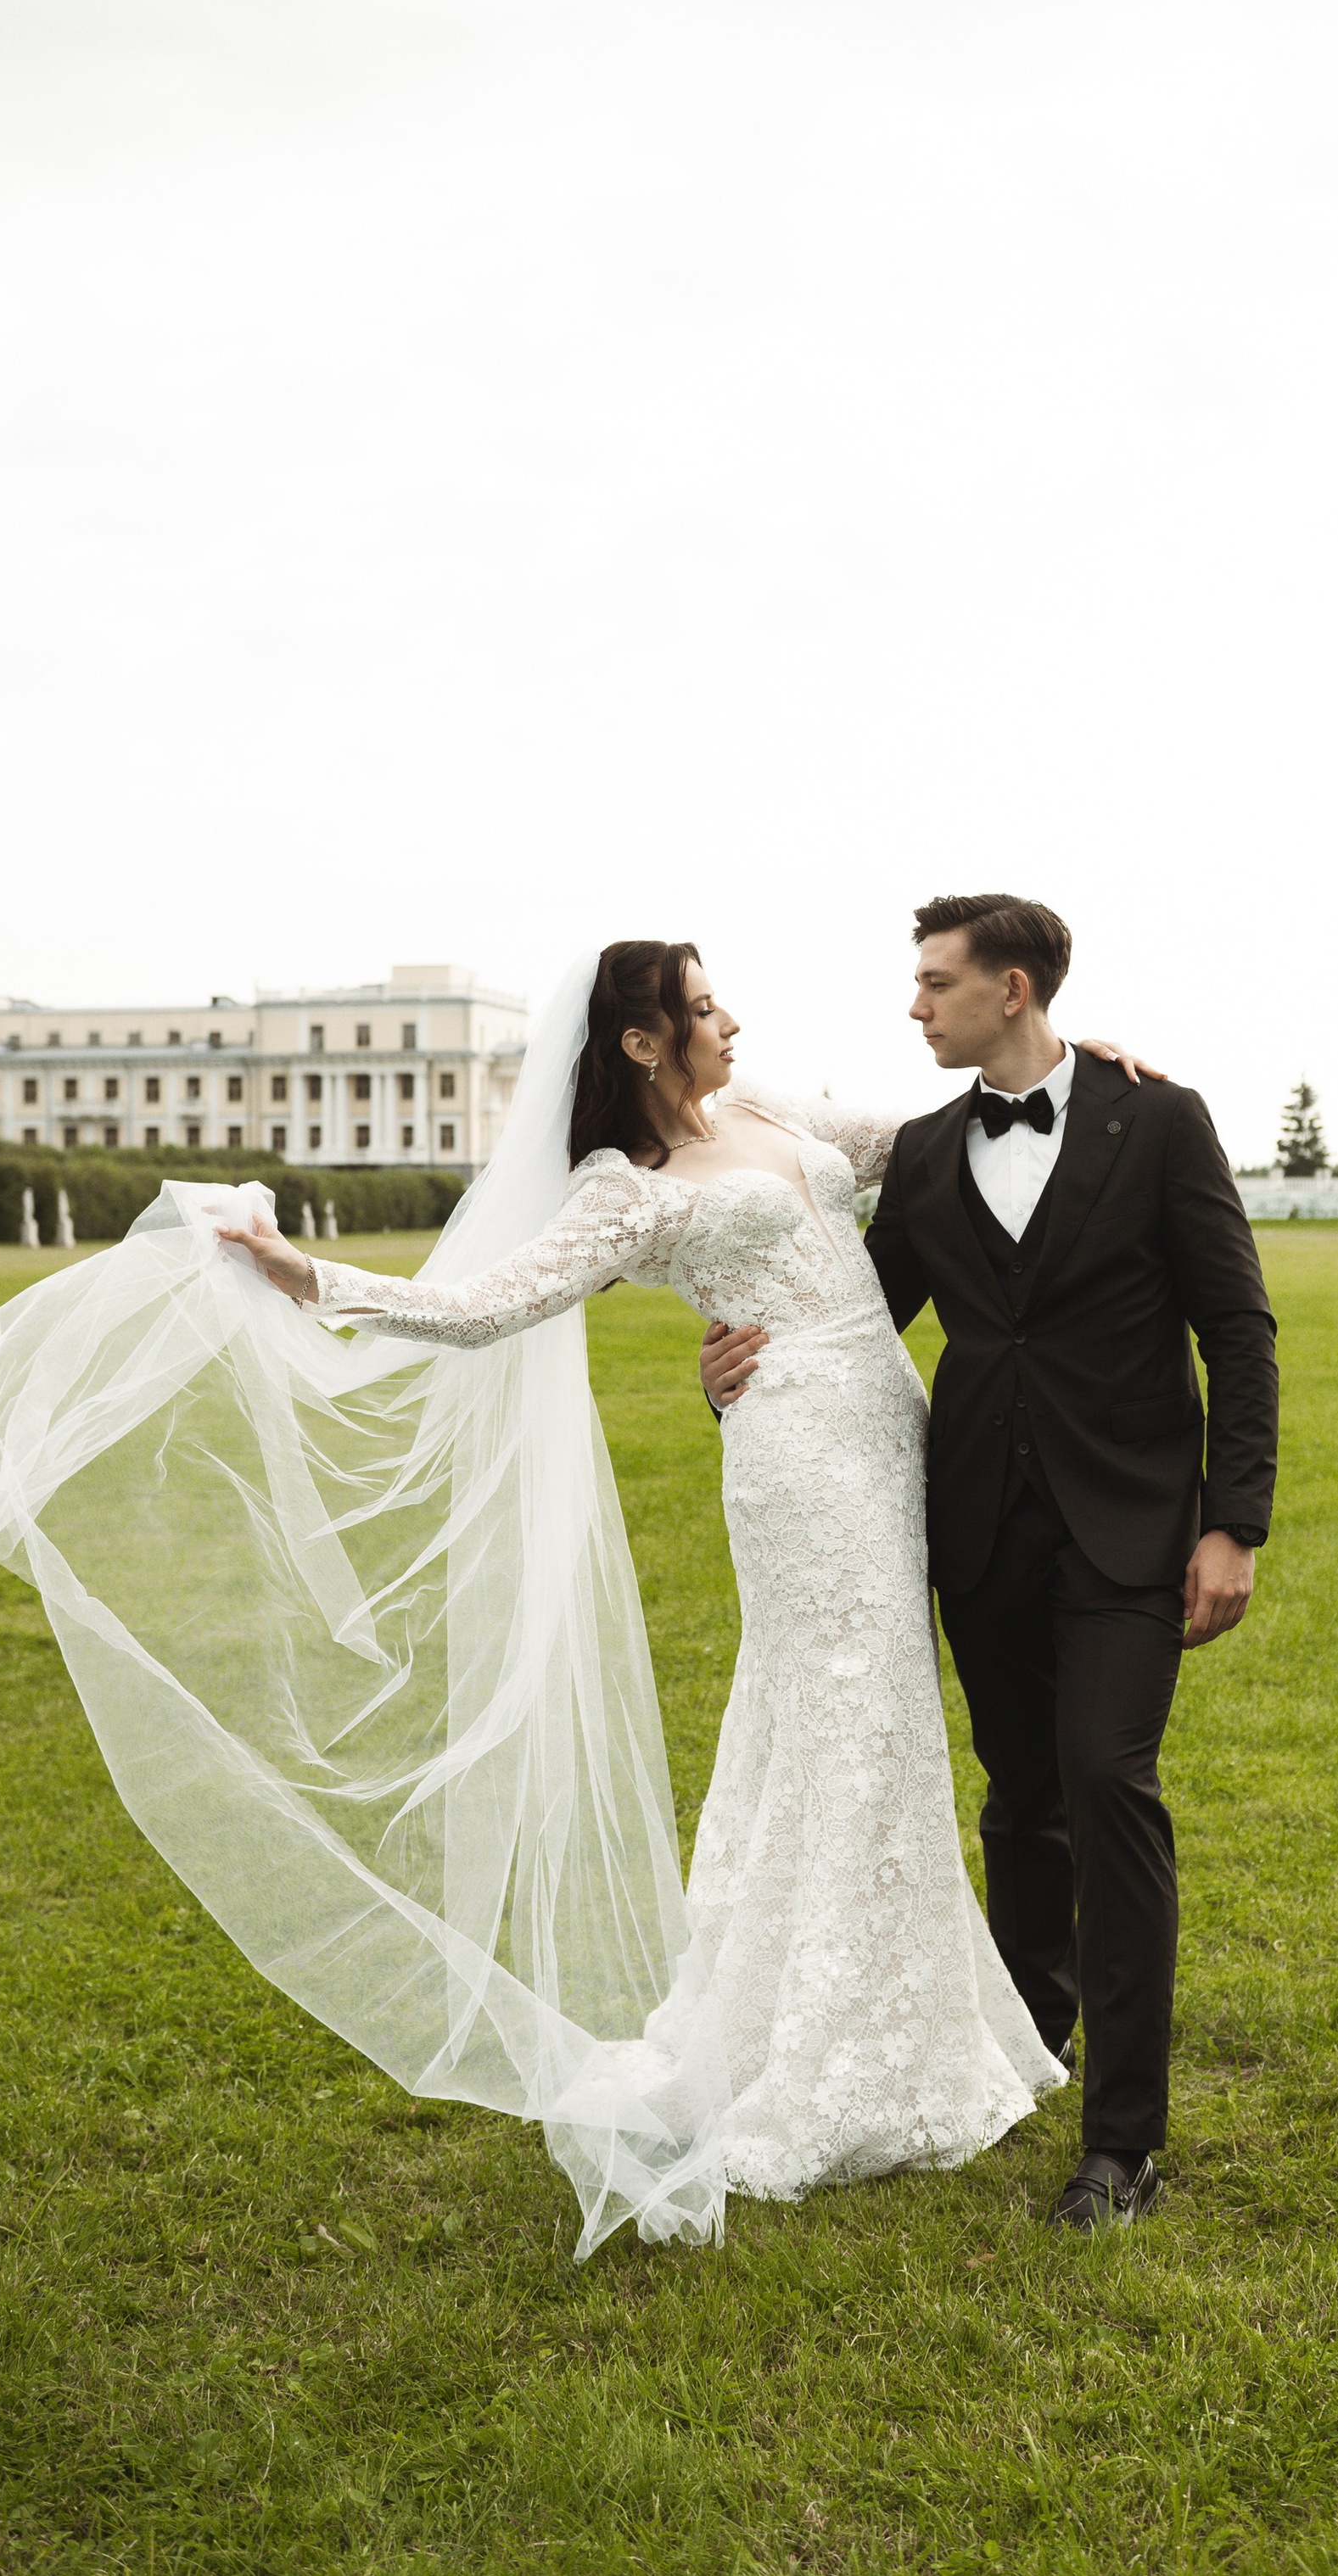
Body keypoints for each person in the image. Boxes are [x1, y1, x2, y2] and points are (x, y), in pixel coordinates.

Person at [218, 943, 1155, 2219]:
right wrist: (315, 1279)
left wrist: (1068, 1066)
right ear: (644, 1044)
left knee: (860, 1729)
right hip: (796, 1468)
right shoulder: (626, 1189)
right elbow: (491, 1305)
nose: (729, 1019)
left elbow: (933, 1139)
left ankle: (877, 2007)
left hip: (893, 1441)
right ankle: (829, 2050)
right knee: (849, 1728)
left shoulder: (767, 1108)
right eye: (703, 1007)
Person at [702, 895, 1278, 2232]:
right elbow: (850, 1318)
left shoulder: (1160, 1122)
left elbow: (1237, 1332)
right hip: (976, 1532)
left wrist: (1231, 1522)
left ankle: (1122, 2144)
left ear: (1011, 988)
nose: (916, 1007)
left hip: (1134, 1525)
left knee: (1107, 1783)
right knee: (1022, 1799)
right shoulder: (924, 1150)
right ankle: (1034, 2041)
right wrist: (735, 1373)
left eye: (936, 984)